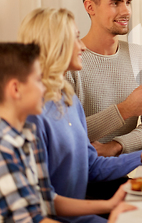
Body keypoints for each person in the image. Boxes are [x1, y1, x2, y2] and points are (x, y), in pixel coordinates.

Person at [19, 8, 142, 222]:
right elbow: (40, 206)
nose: (83, 46)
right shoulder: (32, 115)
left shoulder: (68, 100)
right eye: (76, 39)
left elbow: (92, 166)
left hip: (81, 216)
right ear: (55, 46)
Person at [0, 42, 127, 223]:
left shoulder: (25, 136)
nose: (45, 88)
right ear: (15, 89)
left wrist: (109, 205)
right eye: (38, 81)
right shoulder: (5, 147)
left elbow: (47, 200)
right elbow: (32, 220)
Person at [66, 0, 142, 157]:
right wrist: (124, 110)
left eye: (128, 2)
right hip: (86, 177)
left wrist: (117, 145)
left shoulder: (141, 55)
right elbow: (65, 132)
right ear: (90, 7)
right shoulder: (70, 62)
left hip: (131, 169)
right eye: (115, 3)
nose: (126, 11)